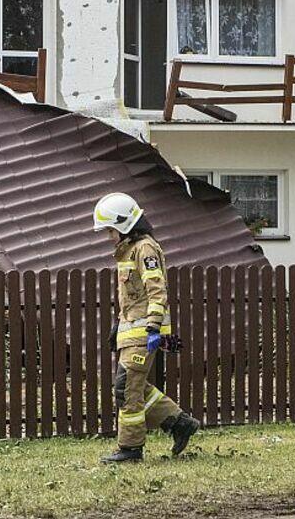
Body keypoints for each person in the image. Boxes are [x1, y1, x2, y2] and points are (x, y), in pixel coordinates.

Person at [93, 192, 199, 463]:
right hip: (134, 334)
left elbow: (156, 291)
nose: (109, 236)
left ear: (124, 224)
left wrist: (153, 327)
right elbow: (133, 298)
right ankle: (179, 423)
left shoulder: (145, 249)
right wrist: (119, 326)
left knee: (126, 388)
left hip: (145, 334)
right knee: (135, 386)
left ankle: (131, 448)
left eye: (110, 230)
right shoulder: (129, 251)